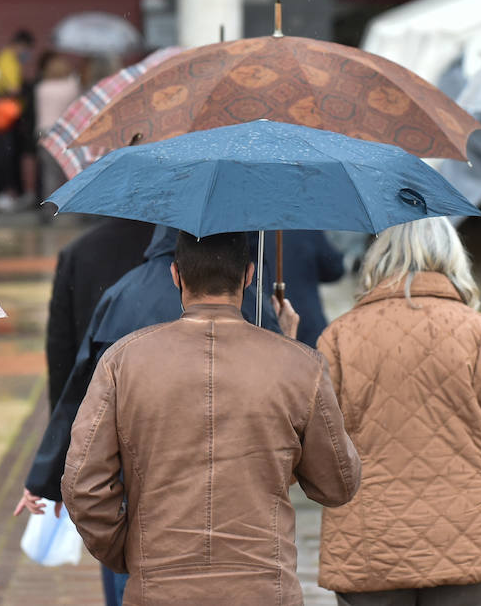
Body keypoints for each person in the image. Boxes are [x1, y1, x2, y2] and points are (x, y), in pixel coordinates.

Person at [61, 231, 360, 605]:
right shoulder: (299, 365)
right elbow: (337, 484)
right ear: (250, 275)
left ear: (176, 275)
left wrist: (127, 552)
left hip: (160, 587)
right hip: (263, 589)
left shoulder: (123, 362)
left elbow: (83, 485)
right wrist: (290, 351)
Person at [18, 227, 288, 606]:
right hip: (236, 519)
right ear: (247, 271)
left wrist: (48, 476)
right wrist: (285, 338)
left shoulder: (121, 295)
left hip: (142, 510)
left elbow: (78, 393)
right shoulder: (246, 304)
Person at [318, 217, 481, 606]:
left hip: (370, 550)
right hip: (469, 548)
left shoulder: (338, 338)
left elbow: (318, 460)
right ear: (453, 258)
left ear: (381, 258)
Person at [44, 217, 155, 407]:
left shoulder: (78, 252)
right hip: (155, 399)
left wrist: (61, 423)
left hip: (94, 399)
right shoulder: (174, 250)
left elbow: (60, 347)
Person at [0, 29, 35, 212]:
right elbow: (12, 87)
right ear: (20, 45)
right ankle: (4, 194)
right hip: (8, 114)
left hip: (8, 112)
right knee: (7, 155)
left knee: (9, 155)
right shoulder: (8, 59)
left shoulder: (7, 58)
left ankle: (11, 192)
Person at [33, 55, 83, 219]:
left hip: (44, 132)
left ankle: (48, 209)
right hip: (64, 132)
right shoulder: (71, 87)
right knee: (70, 171)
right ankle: (73, 207)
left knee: (49, 173)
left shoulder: (41, 87)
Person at [280, 230, 347, 347]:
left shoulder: (251, 232)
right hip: (310, 329)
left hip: (261, 326)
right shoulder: (305, 227)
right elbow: (335, 269)